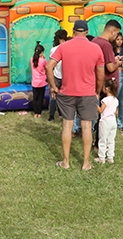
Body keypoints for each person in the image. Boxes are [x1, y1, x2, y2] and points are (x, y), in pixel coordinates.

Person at [45, 19, 104, 170]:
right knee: (87, 127)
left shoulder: (63, 46)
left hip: (67, 93)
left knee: (67, 126)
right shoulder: (96, 48)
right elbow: (100, 74)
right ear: (87, 32)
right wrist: (97, 91)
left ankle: (65, 162)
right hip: (88, 93)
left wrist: (53, 87)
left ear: (73, 31)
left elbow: (49, 66)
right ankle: (86, 163)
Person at [95, 78, 119, 164]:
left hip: (105, 122)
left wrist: (95, 104)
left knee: (102, 140)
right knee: (111, 140)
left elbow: (101, 110)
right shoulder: (116, 100)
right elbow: (116, 112)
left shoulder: (105, 100)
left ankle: (101, 158)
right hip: (113, 121)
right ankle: (110, 157)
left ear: (107, 88)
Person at [46, 28, 68, 121]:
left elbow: (50, 66)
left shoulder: (53, 49)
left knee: (53, 96)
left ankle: (51, 115)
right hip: (65, 76)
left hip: (56, 75)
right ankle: (62, 113)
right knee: (65, 96)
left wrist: (50, 82)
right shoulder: (68, 47)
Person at [113, 32, 123, 130]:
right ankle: (112, 120)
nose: (119, 41)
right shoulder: (111, 50)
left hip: (122, 74)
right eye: (117, 39)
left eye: (121, 39)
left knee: (121, 100)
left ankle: (121, 123)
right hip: (115, 74)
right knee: (113, 99)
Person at [29, 41, 47, 117]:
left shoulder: (31, 59)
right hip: (42, 82)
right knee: (40, 98)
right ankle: (39, 113)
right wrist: (44, 58)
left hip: (34, 82)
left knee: (35, 98)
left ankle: (35, 112)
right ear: (41, 52)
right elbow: (46, 67)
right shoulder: (43, 61)